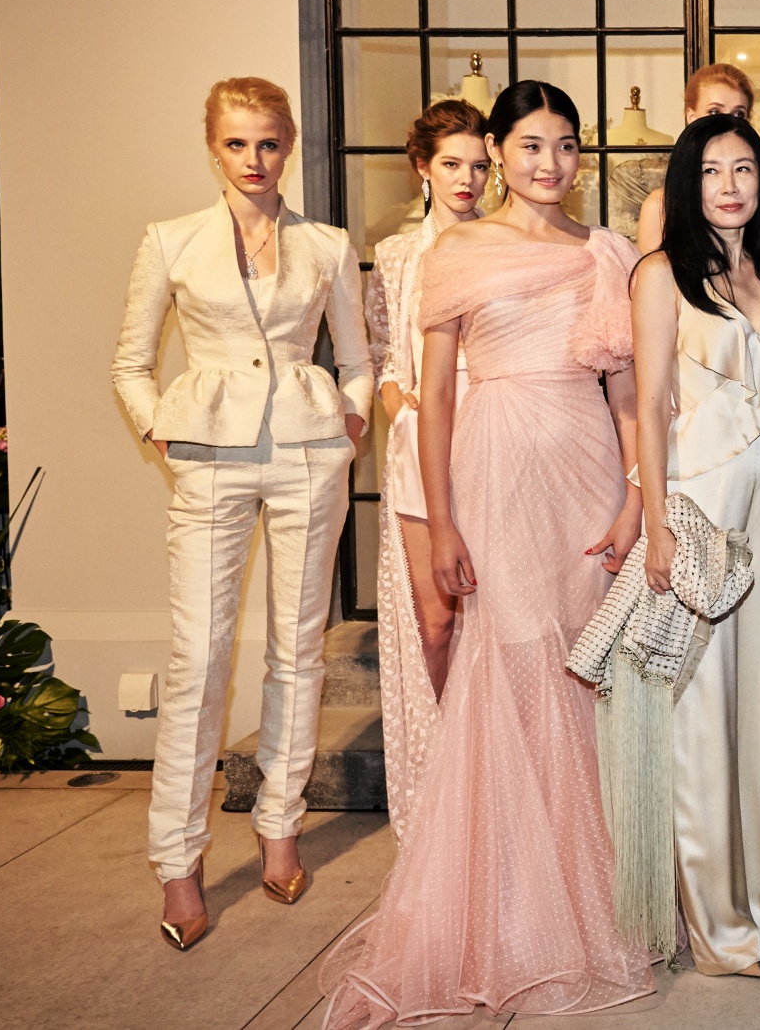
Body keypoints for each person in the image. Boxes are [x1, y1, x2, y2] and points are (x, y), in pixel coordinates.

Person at [318, 82, 652, 1024]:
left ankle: (587, 902)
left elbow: (627, 396)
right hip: (494, 467)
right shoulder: (456, 249)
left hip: (586, 468)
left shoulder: (606, 250)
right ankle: (503, 906)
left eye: (567, 145)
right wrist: (445, 521)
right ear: (498, 150)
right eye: (532, 145)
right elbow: (434, 400)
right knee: (507, 666)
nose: (551, 163)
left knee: (583, 673)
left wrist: (634, 500)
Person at [112, 77, 371, 952]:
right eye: (237, 143)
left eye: (269, 142)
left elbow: (361, 357)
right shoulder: (172, 240)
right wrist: (160, 428)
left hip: (307, 455)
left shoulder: (327, 243)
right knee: (201, 656)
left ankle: (280, 823)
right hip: (210, 457)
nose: (255, 160)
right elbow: (129, 361)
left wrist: (352, 418)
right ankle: (176, 860)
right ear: (212, 146)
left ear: (288, 144)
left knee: (298, 648)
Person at [630, 112, 760, 977]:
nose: (731, 185)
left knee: (757, 703)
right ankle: (713, 922)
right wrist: (654, 520)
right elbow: (649, 403)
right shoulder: (659, 273)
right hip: (699, 507)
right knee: (699, 713)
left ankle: (759, 893)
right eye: (712, 171)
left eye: (745, 169)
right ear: (687, 184)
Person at [363, 98, 489, 836]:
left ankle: (487, 773)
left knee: (491, 618)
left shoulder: (506, 246)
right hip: (419, 444)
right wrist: (393, 403)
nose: (466, 178)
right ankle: (444, 784)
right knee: (435, 623)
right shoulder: (400, 254)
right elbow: (384, 352)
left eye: (478, 164)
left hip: (492, 436)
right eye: (451, 164)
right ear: (422, 168)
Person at [633, 62, 760, 305]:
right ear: (691, 116)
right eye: (715, 113)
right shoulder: (660, 205)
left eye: (739, 113)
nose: (728, 122)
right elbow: (649, 295)